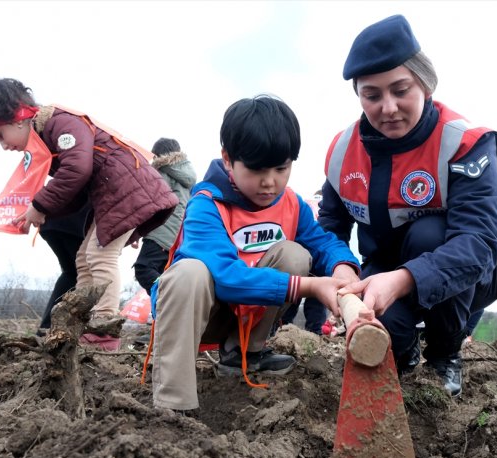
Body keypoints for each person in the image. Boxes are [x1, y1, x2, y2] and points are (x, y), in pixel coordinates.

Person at [318, 15, 497, 396]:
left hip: (473, 270)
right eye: (372, 95)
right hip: (384, 269)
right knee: (385, 337)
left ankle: (445, 355)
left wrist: (402, 279)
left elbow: (477, 243)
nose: (388, 108)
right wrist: (340, 266)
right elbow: (329, 225)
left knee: (430, 234)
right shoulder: (342, 153)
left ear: (425, 84)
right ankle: (405, 355)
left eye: (400, 90)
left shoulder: (465, 142)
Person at [150, 95, 361, 411]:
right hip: (201, 316)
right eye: (256, 169)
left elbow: (322, 242)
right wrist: (311, 286)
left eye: (281, 168)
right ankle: (173, 403)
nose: (269, 182)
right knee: (189, 274)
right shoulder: (206, 204)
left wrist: (342, 266)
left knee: (295, 254)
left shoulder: (290, 203)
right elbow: (226, 279)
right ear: (227, 159)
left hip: (246, 316)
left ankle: (244, 354)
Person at [0, 78, 178, 351]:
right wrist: (45, 211)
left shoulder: (61, 123)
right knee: (83, 258)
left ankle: (104, 327)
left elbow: (77, 170)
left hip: (123, 191)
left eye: (0, 135)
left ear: (18, 118)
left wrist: (41, 205)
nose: (4, 146)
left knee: (100, 256)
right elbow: (78, 191)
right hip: (112, 196)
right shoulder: (48, 138)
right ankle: (83, 322)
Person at [133, 137, 197, 295]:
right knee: (163, 272)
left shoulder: (161, 172)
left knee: (144, 268)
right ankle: (165, 311)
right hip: (177, 236)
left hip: (161, 231)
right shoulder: (187, 175)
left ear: (157, 155)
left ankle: (171, 296)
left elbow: (150, 203)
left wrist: (135, 229)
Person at [35, 203, 91, 337]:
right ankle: (75, 330)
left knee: (72, 273)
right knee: (85, 273)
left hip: (52, 221)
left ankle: (47, 328)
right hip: (75, 222)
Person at [279, 190, 328, 334]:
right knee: (316, 297)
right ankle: (315, 332)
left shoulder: (306, 202)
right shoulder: (324, 206)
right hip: (318, 255)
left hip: (298, 253)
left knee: (293, 293)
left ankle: (282, 328)